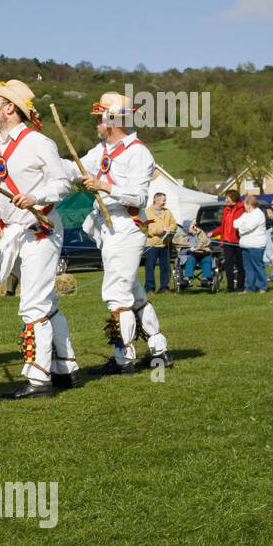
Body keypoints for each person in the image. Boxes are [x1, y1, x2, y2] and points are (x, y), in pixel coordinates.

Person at [0, 81, 80, 397]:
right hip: (14, 234)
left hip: (41, 229)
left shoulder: (38, 142)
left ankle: (38, 379)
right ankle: (67, 367)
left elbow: (62, 184)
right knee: (45, 302)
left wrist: (35, 196)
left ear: (10, 107)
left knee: (32, 303)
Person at [79, 92, 172, 374]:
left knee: (117, 293)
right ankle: (159, 348)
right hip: (110, 227)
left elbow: (137, 197)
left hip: (126, 226)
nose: (96, 121)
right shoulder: (102, 150)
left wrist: (105, 187)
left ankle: (124, 357)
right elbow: (76, 167)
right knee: (133, 291)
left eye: (100, 116)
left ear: (112, 120)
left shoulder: (139, 153)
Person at [210, 189, 244, 292]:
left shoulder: (242, 209)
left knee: (240, 265)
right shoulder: (226, 210)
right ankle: (230, 287)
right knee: (228, 265)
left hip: (238, 242)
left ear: (233, 198)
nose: (225, 200)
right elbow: (223, 226)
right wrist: (213, 233)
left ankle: (240, 286)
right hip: (227, 242)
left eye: (227, 198)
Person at [142, 192, 176, 294]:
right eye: (163, 200)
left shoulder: (167, 212)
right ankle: (150, 289)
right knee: (150, 267)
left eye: (165, 200)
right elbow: (144, 227)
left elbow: (173, 224)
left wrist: (169, 229)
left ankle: (164, 287)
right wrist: (156, 231)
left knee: (165, 267)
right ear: (156, 200)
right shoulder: (146, 212)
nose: (165, 202)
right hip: (152, 244)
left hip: (165, 243)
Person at [234, 193, 268, 293]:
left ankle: (262, 287)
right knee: (248, 268)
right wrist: (242, 224)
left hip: (256, 245)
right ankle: (249, 288)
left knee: (258, 266)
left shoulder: (258, 214)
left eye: (245, 204)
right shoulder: (246, 214)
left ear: (249, 204)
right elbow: (235, 223)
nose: (244, 207)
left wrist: (241, 229)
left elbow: (249, 227)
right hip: (245, 244)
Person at [173, 219, 214, 288]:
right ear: (187, 227)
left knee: (207, 259)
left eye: (195, 226)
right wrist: (192, 249)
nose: (195, 228)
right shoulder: (180, 235)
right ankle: (187, 279)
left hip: (201, 254)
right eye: (193, 226)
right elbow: (179, 245)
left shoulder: (200, 232)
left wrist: (200, 247)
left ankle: (205, 279)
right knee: (190, 259)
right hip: (188, 255)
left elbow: (206, 242)